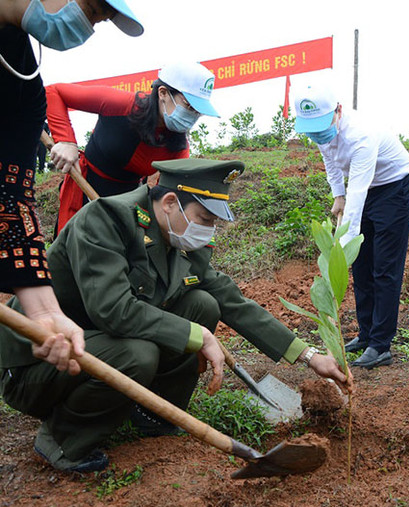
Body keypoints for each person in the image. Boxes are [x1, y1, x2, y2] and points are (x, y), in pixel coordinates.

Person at [0, 158, 352, 473]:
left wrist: (309, 355)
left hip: (98, 343)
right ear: (169, 203)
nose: (208, 230)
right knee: (140, 353)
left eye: (214, 222)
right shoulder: (105, 220)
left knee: (203, 304)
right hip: (41, 364)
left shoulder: (180, 237)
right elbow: (113, 310)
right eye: (203, 219)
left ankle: (153, 413)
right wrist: (200, 336)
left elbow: (230, 300)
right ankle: (62, 440)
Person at [0, 1, 142, 373]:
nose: (88, 27)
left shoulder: (23, 86)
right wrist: (66, 139)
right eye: (92, 8)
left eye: (99, 20)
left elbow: (11, 197)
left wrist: (44, 311)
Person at [293, 83, 409, 370]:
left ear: (338, 109)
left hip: (393, 188)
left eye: (321, 125)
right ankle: (365, 334)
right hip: (366, 189)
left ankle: (381, 344)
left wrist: (343, 245)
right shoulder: (323, 131)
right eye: (310, 129)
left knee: (384, 267)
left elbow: (358, 191)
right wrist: (338, 195)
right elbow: (330, 160)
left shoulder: (361, 135)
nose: (317, 134)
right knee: (362, 267)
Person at [47, 61, 220, 234]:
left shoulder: (178, 148)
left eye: (198, 111)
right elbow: (54, 92)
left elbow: (167, 196)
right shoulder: (121, 104)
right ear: (163, 93)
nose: (193, 116)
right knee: (72, 251)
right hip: (83, 188)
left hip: (126, 207)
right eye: (189, 106)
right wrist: (66, 141)